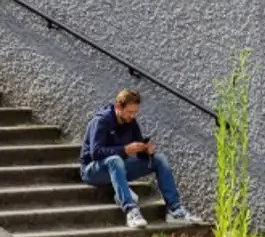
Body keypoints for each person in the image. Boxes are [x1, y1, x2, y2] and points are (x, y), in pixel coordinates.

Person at [79, 87, 200, 229]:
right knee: (115, 160)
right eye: (130, 112)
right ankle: (131, 211)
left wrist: (146, 150)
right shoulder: (101, 121)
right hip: (92, 170)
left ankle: (175, 210)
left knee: (160, 159)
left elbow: (138, 149)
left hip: (119, 166)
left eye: (135, 112)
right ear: (118, 106)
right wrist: (124, 150)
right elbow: (95, 153)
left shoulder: (131, 122)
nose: (132, 116)